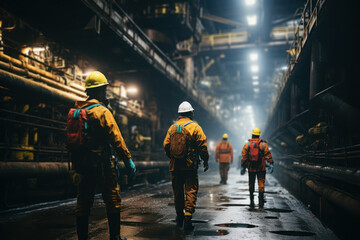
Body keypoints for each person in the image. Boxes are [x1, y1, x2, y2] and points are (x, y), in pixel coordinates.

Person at [68, 71, 136, 240]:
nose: (105, 92)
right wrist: (127, 160)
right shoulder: (101, 112)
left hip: (82, 163)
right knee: (112, 197)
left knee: (83, 201)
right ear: (99, 91)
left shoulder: (78, 111)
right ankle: (115, 237)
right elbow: (116, 138)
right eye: (104, 89)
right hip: (102, 163)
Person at [163, 101, 209, 230]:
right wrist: (205, 160)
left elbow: (166, 145)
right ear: (190, 113)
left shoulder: (172, 128)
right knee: (190, 190)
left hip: (175, 166)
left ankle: (179, 217)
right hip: (190, 166)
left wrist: (172, 157)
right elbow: (203, 147)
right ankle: (188, 217)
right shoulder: (195, 127)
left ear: (180, 114)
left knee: (178, 192)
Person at [240, 128, 274, 209]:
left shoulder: (247, 145)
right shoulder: (263, 145)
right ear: (259, 135)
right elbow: (267, 155)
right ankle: (261, 200)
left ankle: (252, 200)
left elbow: (244, 157)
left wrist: (243, 166)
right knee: (261, 184)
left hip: (251, 167)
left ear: (252, 134)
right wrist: (271, 163)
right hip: (261, 167)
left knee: (251, 183)